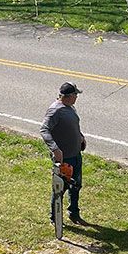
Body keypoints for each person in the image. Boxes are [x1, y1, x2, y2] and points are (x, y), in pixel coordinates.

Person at [40, 81, 86, 225]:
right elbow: (44, 130)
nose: (76, 97)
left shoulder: (70, 107)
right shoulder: (55, 110)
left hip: (76, 155)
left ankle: (74, 213)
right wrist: (55, 149)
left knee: (76, 185)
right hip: (64, 158)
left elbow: (72, 126)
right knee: (60, 188)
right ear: (68, 96)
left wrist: (81, 137)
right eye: (75, 95)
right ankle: (55, 218)